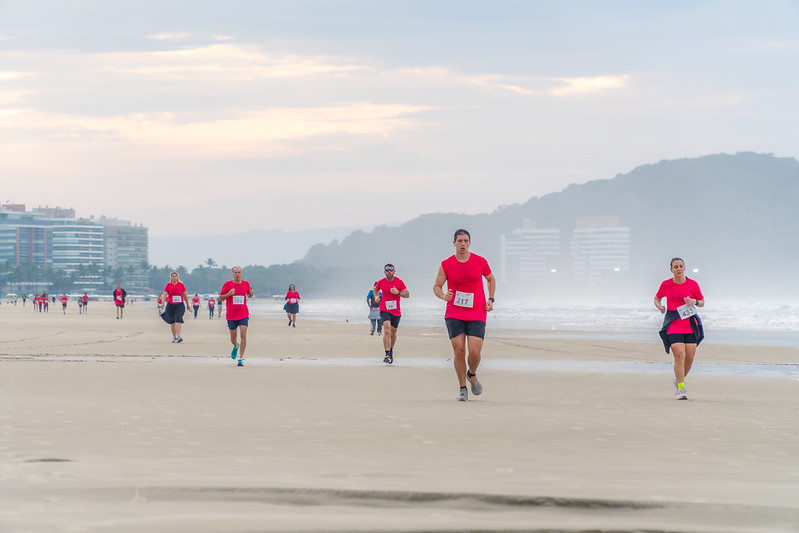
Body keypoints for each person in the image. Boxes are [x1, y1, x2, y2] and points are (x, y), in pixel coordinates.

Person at [433, 229, 496, 401]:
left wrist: (490, 299)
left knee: (474, 352)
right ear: (454, 243)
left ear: (469, 243)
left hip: (477, 311)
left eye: (465, 241)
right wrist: (443, 295)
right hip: (454, 312)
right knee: (459, 351)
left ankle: (472, 374)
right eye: (459, 240)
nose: (462, 243)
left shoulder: (479, 261)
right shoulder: (446, 264)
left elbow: (491, 279)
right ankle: (462, 388)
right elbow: (437, 287)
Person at [654, 257, 705, 400]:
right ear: (671, 269)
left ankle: (678, 380)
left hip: (689, 324)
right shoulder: (666, 284)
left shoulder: (692, 284)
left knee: (689, 359)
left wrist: (694, 301)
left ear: (684, 268)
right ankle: (681, 389)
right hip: (673, 323)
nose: (678, 269)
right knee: (679, 354)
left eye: (681, 266)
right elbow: (657, 298)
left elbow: (702, 302)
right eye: (675, 267)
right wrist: (660, 307)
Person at [219, 266, 254, 367]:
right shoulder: (228, 284)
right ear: (233, 274)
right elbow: (220, 298)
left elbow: (249, 294)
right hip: (231, 314)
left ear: (241, 273)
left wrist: (251, 293)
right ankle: (235, 346)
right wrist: (229, 293)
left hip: (243, 313)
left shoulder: (246, 284)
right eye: (235, 272)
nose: (237, 274)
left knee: (243, 334)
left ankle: (241, 358)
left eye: (239, 272)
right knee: (233, 336)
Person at [374, 263, 408, 364]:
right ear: (384, 272)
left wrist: (397, 292)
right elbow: (376, 289)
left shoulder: (399, 281)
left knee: (393, 332)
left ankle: (391, 349)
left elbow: (407, 294)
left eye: (391, 270)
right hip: (384, 309)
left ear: (394, 271)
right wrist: (376, 297)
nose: (389, 272)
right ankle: (387, 353)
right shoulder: (381, 282)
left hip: (396, 311)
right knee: (387, 330)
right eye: (387, 270)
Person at [160, 271, 189, 343]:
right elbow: (164, 295)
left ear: (177, 277)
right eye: (172, 276)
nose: (174, 277)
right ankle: (174, 337)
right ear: (171, 277)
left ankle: (178, 336)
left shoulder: (181, 285)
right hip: (170, 305)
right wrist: (163, 303)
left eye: (175, 276)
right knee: (172, 321)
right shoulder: (168, 285)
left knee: (178, 319)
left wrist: (188, 304)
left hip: (179, 305)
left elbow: (185, 295)